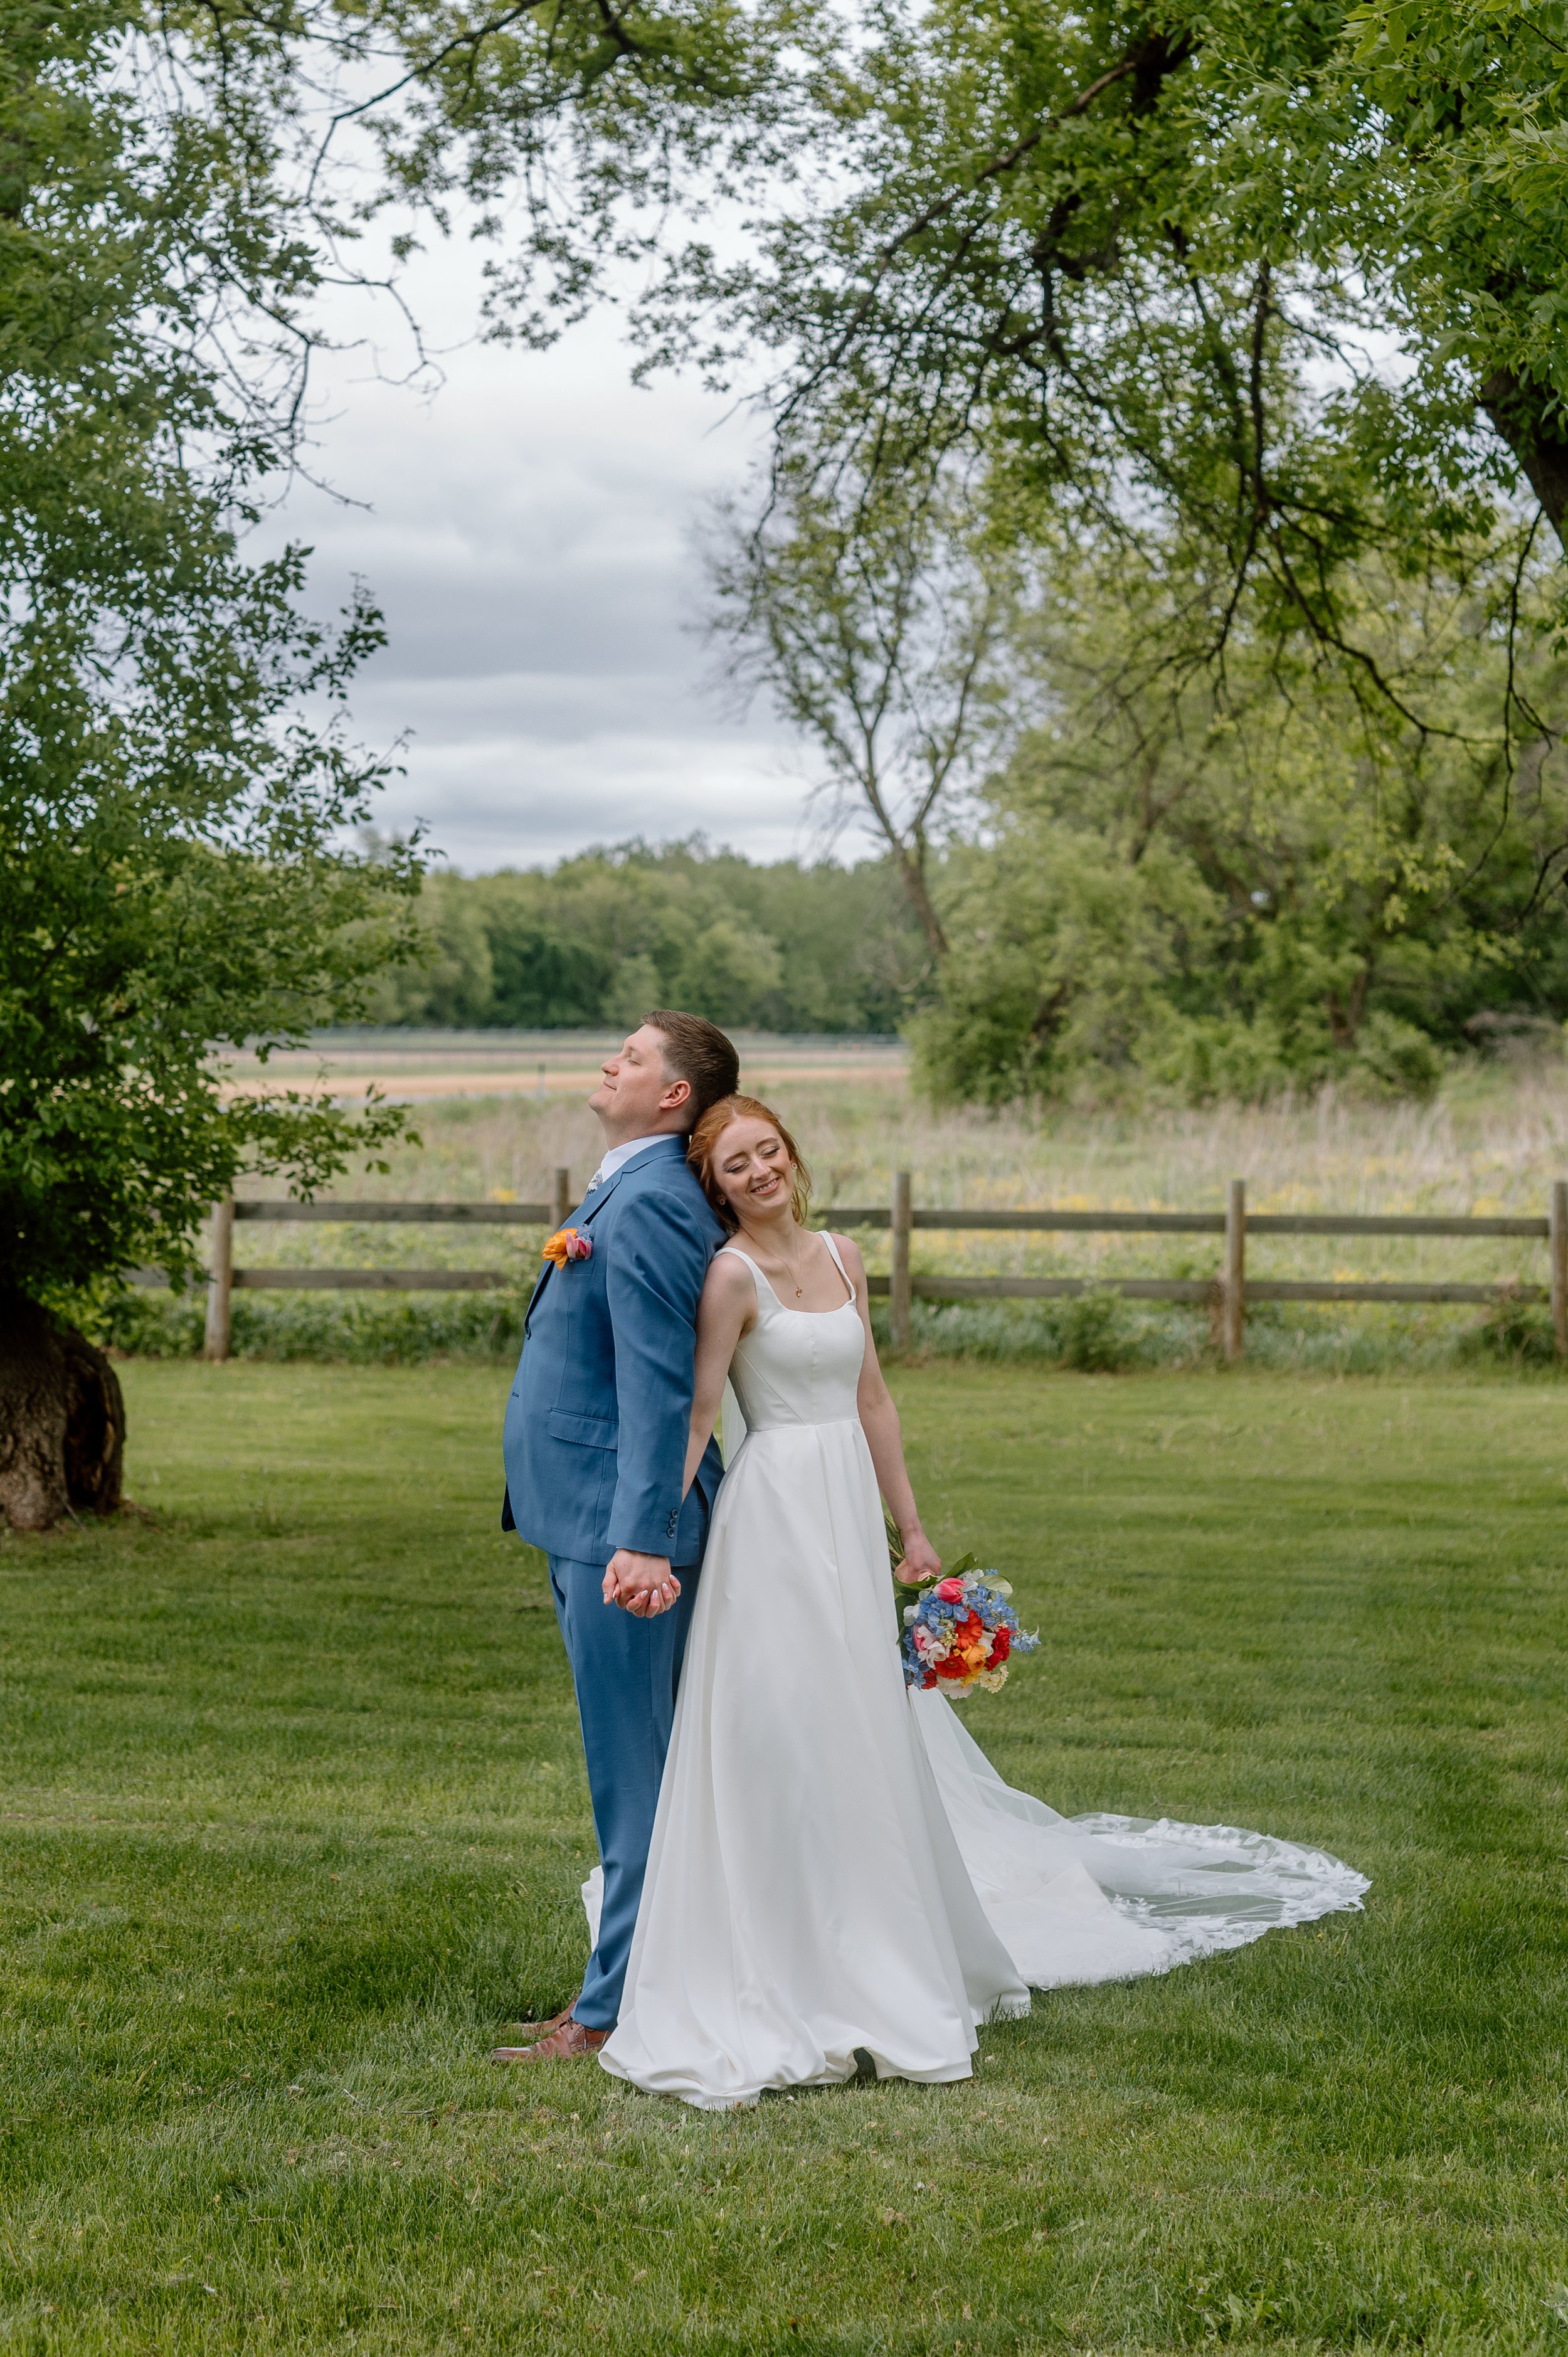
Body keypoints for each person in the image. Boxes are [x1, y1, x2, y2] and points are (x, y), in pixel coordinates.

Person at [596, 1096, 1369, 2109]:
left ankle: (879, 1942)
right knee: (778, 1723)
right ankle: (776, 1953)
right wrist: (650, 1533)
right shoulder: (728, 1275)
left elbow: (873, 1398)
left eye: (768, 1151)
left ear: (793, 1155)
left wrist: (912, 1530)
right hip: (773, 1520)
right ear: (718, 1184)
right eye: (735, 1164)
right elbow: (701, 1411)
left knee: (863, 1729)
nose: (758, 1172)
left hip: (843, 1516)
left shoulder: (842, 1254)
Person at [492, 1012, 739, 2063]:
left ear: (674, 1092)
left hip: (622, 1535)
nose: (612, 1062)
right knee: (632, 1767)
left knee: (634, 1776)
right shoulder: (625, 1182)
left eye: (632, 1056)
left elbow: (661, 1389)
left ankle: (610, 2011)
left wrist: (644, 1535)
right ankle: (626, 1982)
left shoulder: (650, 1203)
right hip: (585, 1515)